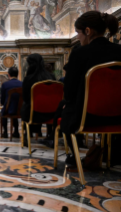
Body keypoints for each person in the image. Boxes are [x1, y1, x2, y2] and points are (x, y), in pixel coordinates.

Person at [60, 11, 121, 166]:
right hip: (118, 115)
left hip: (87, 116)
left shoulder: (79, 53)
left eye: (78, 33)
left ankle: (74, 157)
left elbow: (70, 89)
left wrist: (68, 101)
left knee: (66, 109)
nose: (78, 37)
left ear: (88, 31)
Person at [21, 54, 56, 144]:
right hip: (52, 114)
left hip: (34, 114)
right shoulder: (51, 77)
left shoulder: (28, 79)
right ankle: (50, 135)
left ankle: (27, 133)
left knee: (26, 105)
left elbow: (25, 98)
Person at [0, 67, 23, 138]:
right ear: (17, 75)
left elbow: (2, 101)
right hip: (21, 110)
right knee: (15, 107)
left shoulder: (5, 85)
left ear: (8, 75)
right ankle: (16, 131)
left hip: (9, 110)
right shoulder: (22, 84)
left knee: (4, 110)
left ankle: (5, 132)